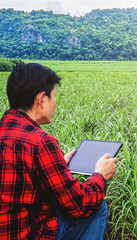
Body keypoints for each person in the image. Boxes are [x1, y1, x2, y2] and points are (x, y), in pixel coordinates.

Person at [0, 63, 118, 240]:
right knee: (98, 207)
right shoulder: (40, 142)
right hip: (28, 235)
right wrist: (100, 175)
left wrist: (58, 164)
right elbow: (77, 205)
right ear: (41, 99)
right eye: (54, 95)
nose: (55, 102)